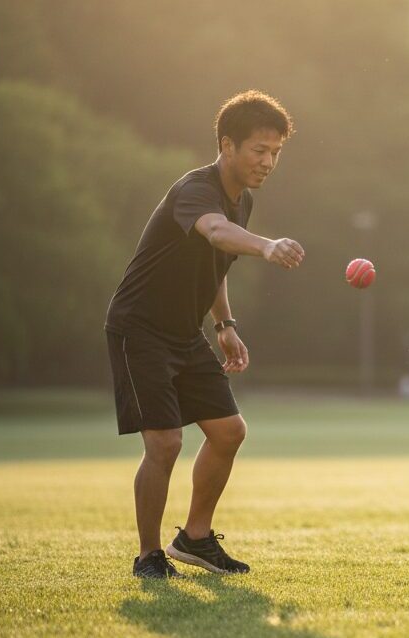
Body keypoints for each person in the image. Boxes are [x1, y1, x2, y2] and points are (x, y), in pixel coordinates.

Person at [105, 90, 304, 578]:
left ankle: (193, 538)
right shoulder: (196, 190)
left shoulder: (245, 201)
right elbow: (215, 233)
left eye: (276, 152)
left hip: (183, 330)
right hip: (140, 327)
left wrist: (225, 326)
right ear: (227, 144)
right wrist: (269, 245)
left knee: (228, 432)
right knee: (166, 443)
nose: (268, 161)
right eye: (259, 150)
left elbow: (215, 265)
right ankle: (149, 556)